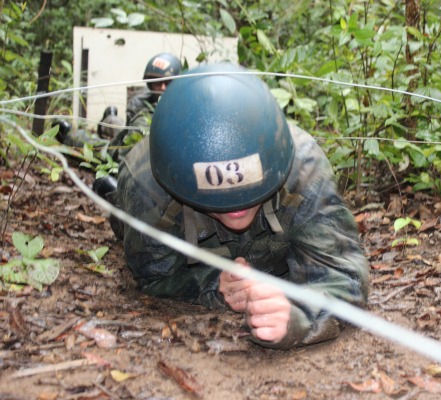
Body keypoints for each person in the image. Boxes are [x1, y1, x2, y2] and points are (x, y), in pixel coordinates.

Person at [105, 63, 369, 349]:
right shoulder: (147, 185)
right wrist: (212, 284)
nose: (236, 209)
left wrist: (298, 316)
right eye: (218, 199)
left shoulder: (303, 170)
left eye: (247, 195)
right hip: (154, 213)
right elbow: (153, 277)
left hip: (279, 242)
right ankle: (112, 199)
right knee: (121, 217)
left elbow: (344, 275)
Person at [108, 52, 182, 162]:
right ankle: (109, 117)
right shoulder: (138, 104)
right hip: (133, 150)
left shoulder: (183, 105)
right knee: (107, 132)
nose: (162, 88)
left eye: (168, 83)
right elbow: (128, 142)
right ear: (150, 83)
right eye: (158, 82)